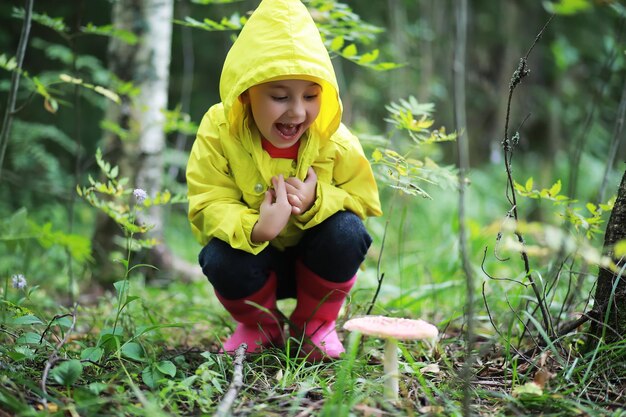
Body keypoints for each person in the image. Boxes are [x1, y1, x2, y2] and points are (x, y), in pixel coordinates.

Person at [186, 0, 382, 360]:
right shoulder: (218, 131)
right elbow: (206, 202)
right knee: (218, 256)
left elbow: (363, 199)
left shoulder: (333, 140)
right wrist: (256, 228)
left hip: (315, 264)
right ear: (245, 95)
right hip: (255, 267)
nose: (297, 111)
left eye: (310, 95)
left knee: (347, 232)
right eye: (279, 96)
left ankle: (315, 325)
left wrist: (315, 200)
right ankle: (260, 325)